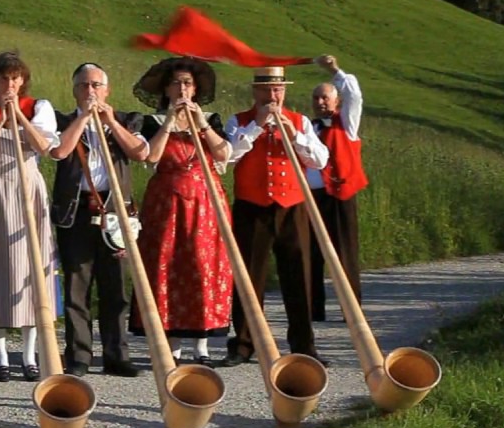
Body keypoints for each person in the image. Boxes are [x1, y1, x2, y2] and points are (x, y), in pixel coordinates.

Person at [128, 56, 234, 366]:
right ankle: (170, 343)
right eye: (176, 83)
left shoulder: (210, 119)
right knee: (168, 266)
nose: (182, 88)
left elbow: (223, 153)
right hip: (167, 202)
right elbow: (152, 157)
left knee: (203, 266)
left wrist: (200, 123)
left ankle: (201, 343)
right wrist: (171, 122)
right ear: (166, 89)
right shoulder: (153, 122)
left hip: (206, 200)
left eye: (187, 83)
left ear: (196, 88)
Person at [222, 66, 330, 368]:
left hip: (292, 206)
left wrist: (294, 135)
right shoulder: (240, 121)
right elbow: (229, 155)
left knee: (299, 275)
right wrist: (257, 126)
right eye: (267, 90)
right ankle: (243, 344)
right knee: (248, 278)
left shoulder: (300, 122)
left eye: (278, 90)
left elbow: (319, 160)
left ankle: (303, 344)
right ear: (255, 92)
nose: (273, 96)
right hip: (252, 206)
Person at [0, 50, 61, 383]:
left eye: (16, 78)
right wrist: (1, 122)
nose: (10, 83)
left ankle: (30, 354)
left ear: (23, 80)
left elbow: (46, 148)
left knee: (32, 272)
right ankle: (0, 355)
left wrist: (19, 117)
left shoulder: (38, 108)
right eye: (4, 78)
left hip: (28, 187)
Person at [48, 62, 149, 378]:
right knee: (78, 285)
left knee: (115, 286)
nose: (90, 92)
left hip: (115, 213)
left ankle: (116, 354)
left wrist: (109, 123)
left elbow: (140, 153)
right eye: (83, 86)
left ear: (107, 90)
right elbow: (59, 152)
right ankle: (79, 355)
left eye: (95, 86)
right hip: (76, 213)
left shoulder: (126, 120)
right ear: (74, 91)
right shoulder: (63, 121)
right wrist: (82, 120)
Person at [307, 54, 368, 322]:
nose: (320, 103)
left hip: (342, 195)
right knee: (310, 254)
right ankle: (312, 309)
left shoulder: (348, 123)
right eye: (317, 99)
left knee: (345, 253)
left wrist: (335, 71)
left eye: (325, 98)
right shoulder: (308, 126)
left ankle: (351, 309)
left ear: (336, 101)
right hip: (313, 197)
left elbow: (355, 96)